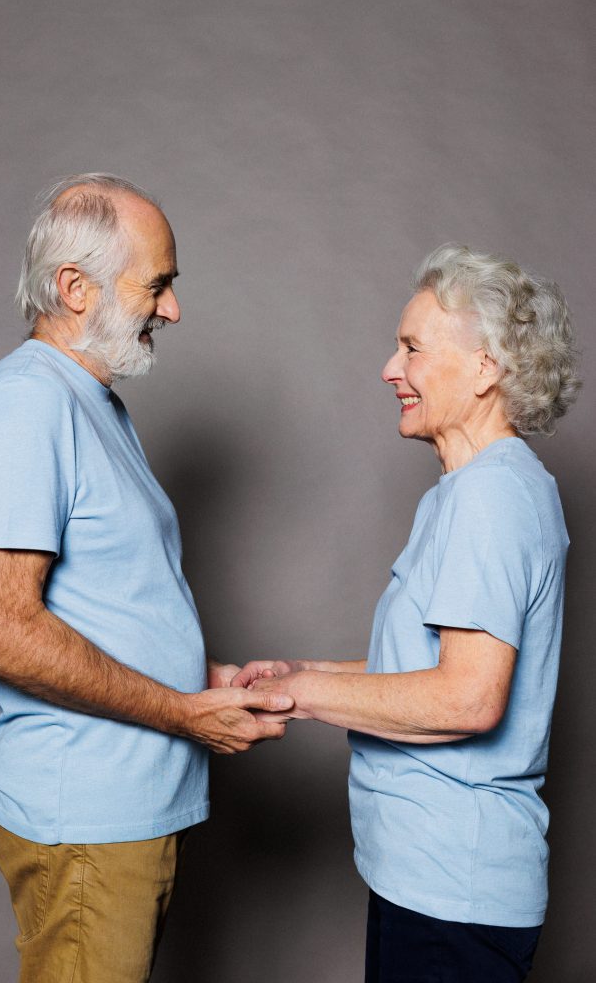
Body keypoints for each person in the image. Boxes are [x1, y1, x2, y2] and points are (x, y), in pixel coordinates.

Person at [0, 173, 293, 983]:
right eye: (158, 284)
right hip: (87, 821)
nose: (172, 309)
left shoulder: (92, 403)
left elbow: (105, 602)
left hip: (125, 813)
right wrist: (180, 710)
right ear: (75, 288)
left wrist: (195, 677)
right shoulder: (27, 407)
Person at [233, 244, 579, 983]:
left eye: (412, 348)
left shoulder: (491, 499)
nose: (390, 369)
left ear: (486, 369)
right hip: (429, 882)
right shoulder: (470, 493)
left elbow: (467, 697)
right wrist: (305, 672)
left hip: (453, 891)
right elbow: (430, 667)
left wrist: (300, 696)